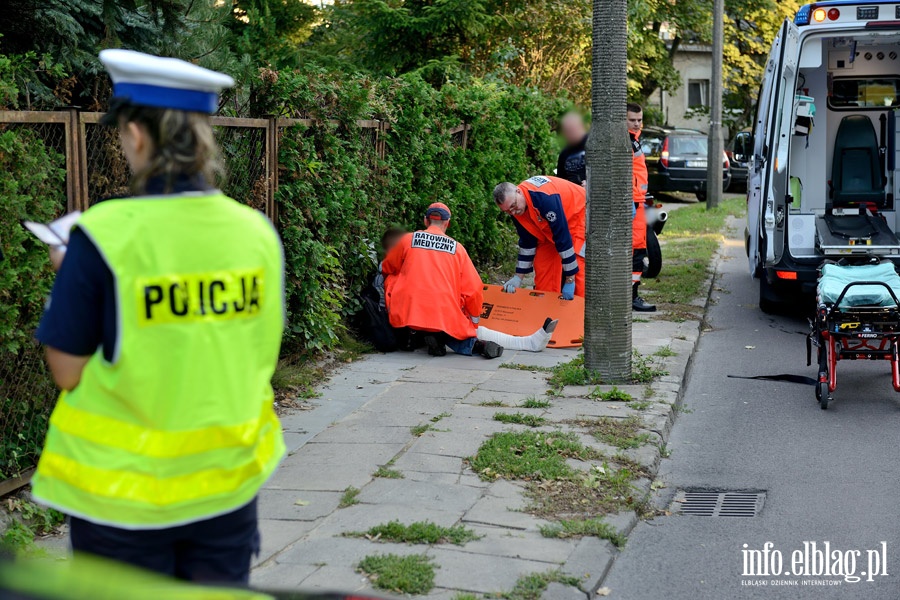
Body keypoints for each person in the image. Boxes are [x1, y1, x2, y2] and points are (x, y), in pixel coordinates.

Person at [30, 49, 286, 584]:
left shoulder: (101, 234)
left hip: (124, 499)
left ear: (138, 136)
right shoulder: (256, 232)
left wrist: (66, 269)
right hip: (227, 487)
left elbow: (66, 370)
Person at [382, 204, 557, 358]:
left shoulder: (407, 240)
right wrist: (472, 322)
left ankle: (419, 336)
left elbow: (387, 268)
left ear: (425, 221)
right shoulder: (457, 249)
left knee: (392, 277)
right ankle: (511, 344)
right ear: (447, 223)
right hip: (442, 316)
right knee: (462, 329)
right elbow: (473, 289)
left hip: (407, 314)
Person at [493, 176, 586, 299]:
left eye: (513, 206)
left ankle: (581, 313)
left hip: (576, 216)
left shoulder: (544, 198)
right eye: (508, 211)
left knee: (577, 272)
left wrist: (569, 279)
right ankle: (548, 312)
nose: (513, 213)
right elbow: (528, 242)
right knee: (544, 272)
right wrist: (518, 277)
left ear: (518, 191)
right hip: (549, 229)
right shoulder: (517, 208)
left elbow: (562, 237)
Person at [627, 102, 656, 312]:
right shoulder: (626, 141)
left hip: (637, 201)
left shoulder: (633, 140)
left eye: (639, 120)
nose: (637, 124)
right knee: (636, 250)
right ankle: (631, 297)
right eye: (632, 120)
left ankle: (631, 296)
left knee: (638, 249)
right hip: (632, 202)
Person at [556, 111, 588, 186]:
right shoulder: (564, 153)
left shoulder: (594, 145)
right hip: (574, 194)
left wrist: (591, 182)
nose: (570, 133)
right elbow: (560, 181)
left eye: (572, 129)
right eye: (567, 130)